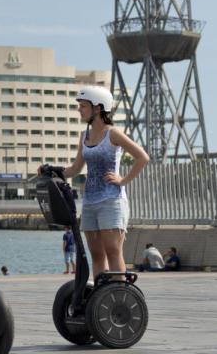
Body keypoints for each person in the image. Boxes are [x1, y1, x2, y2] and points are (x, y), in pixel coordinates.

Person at [43, 86, 149, 280]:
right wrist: (52, 170)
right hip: (90, 202)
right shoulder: (85, 136)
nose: (79, 110)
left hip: (112, 201)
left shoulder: (113, 134)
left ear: (98, 108)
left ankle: (118, 295)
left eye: (83, 106)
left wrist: (123, 180)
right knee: (97, 255)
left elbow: (142, 157)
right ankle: (101, 295)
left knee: (113, 251)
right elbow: (75, 169)